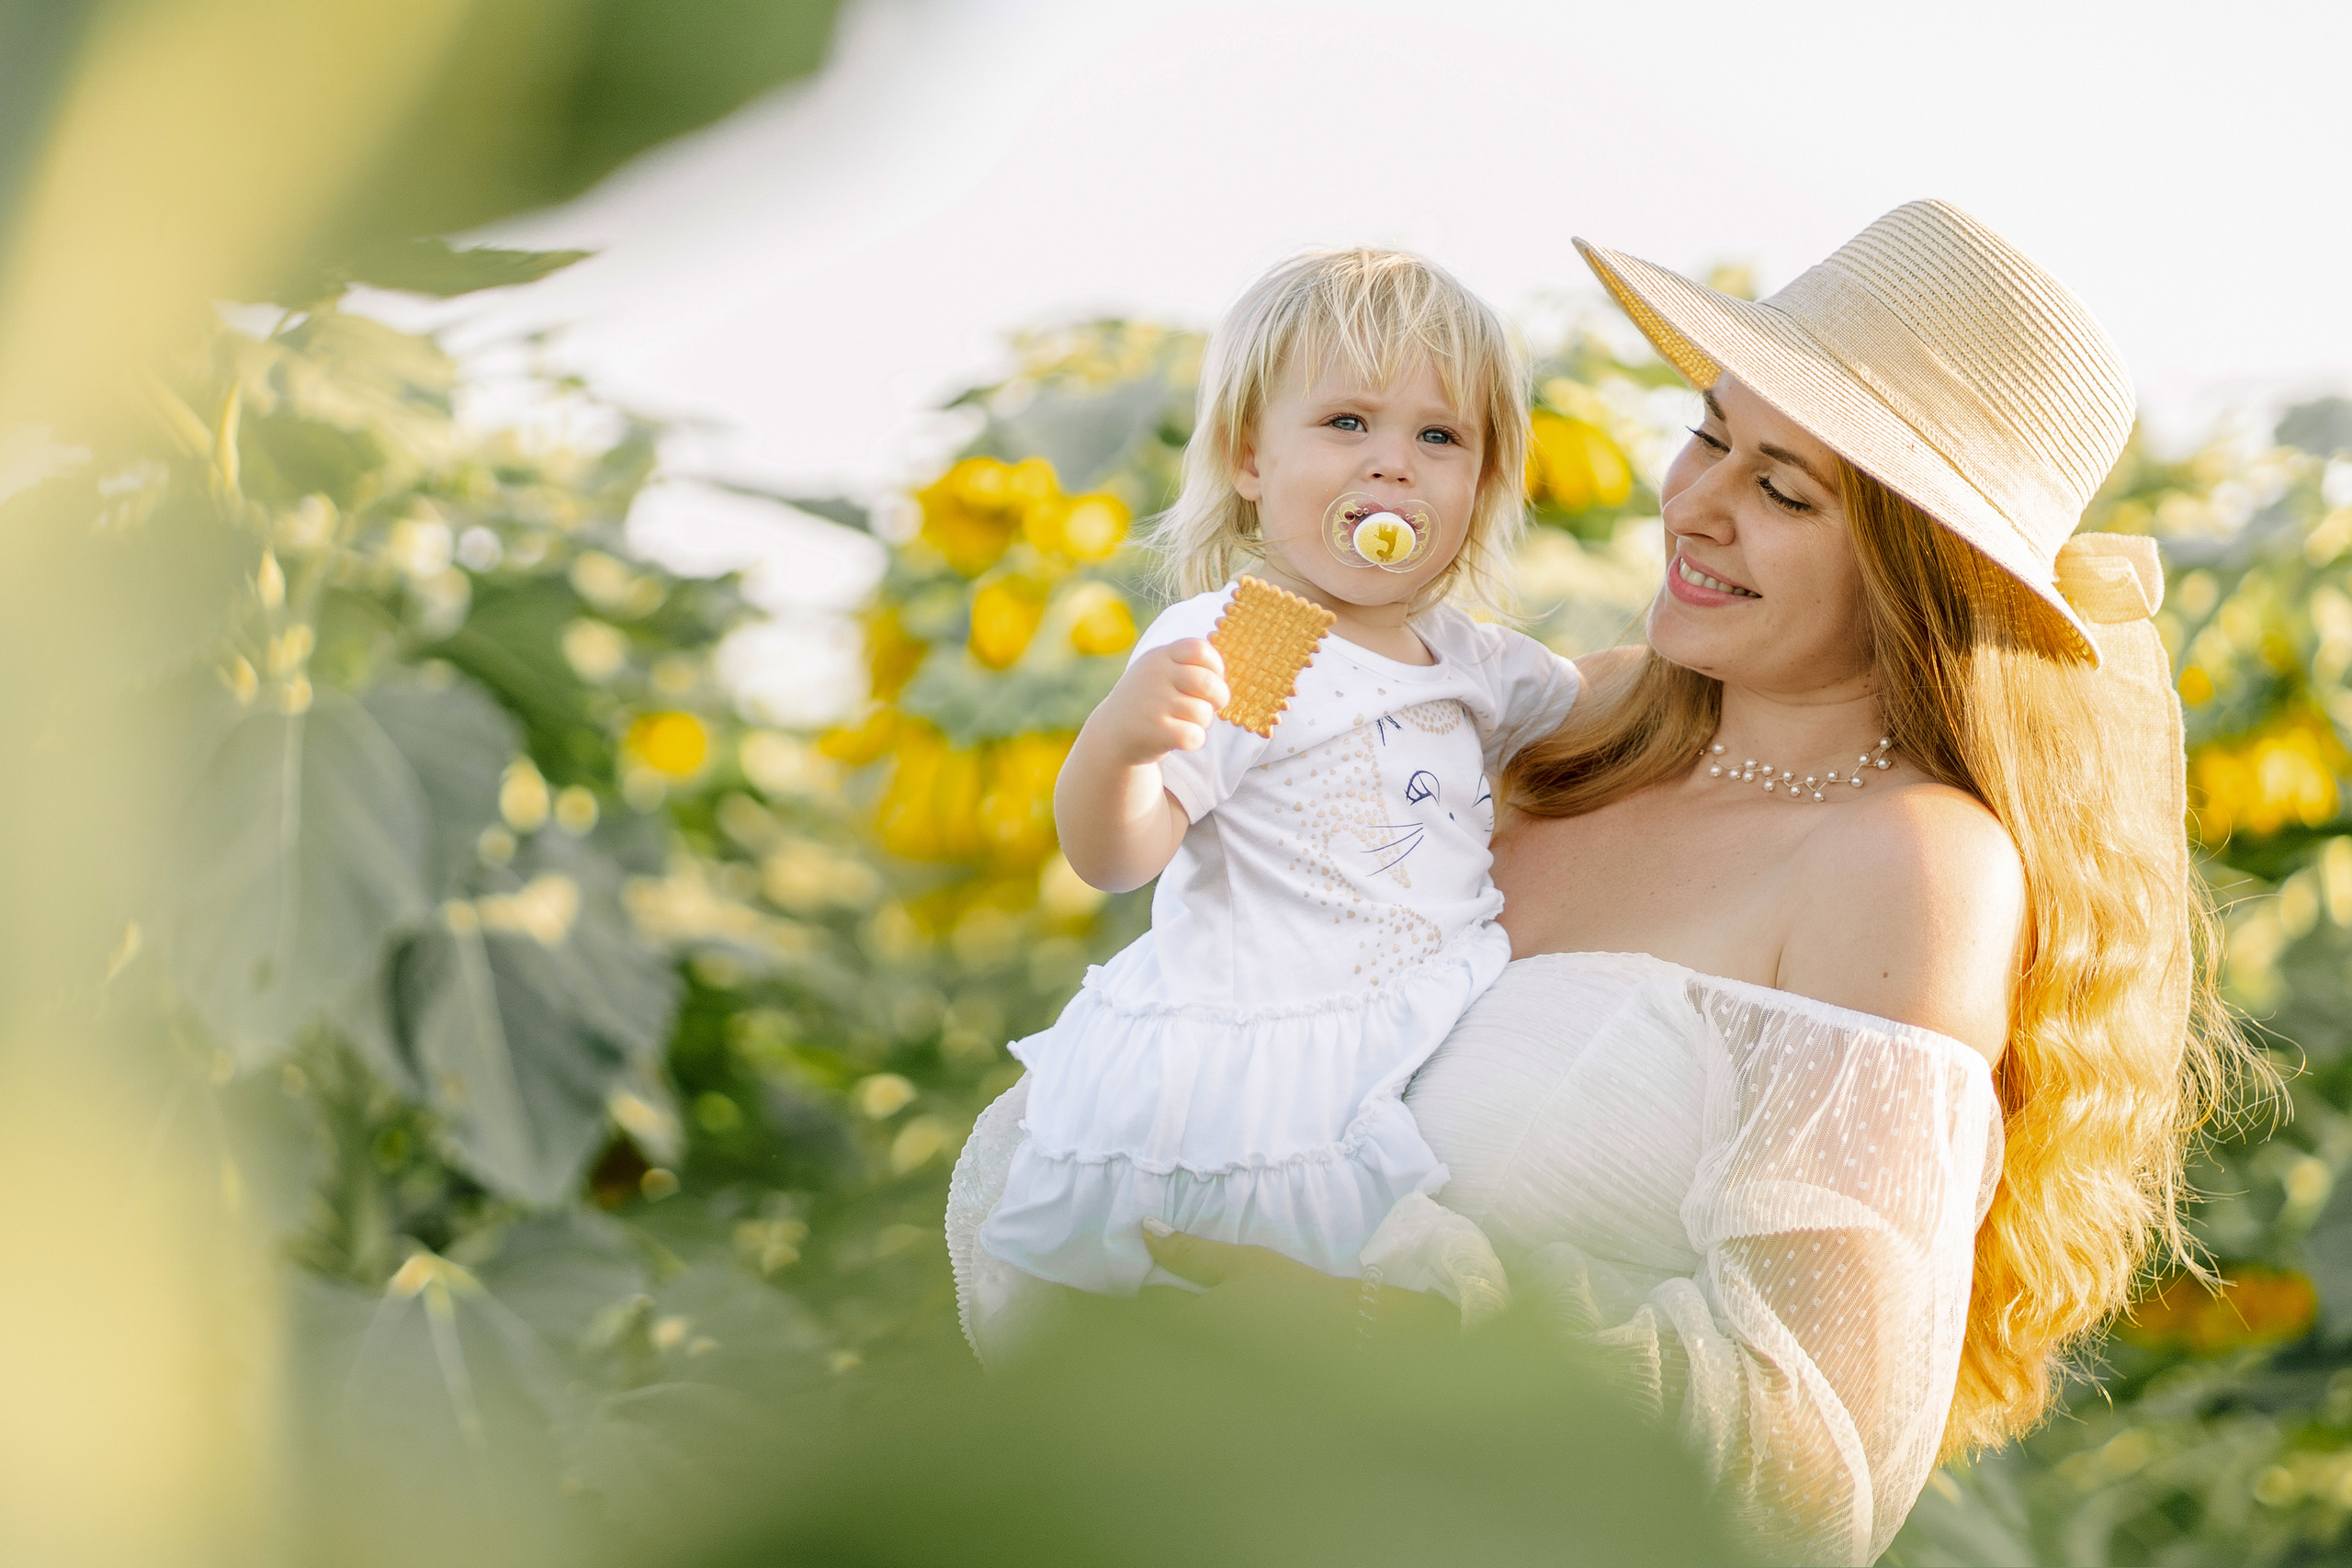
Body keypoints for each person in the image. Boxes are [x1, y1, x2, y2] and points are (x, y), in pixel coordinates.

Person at [949, 200, 2268, 1564]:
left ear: (1914, 575)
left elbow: (1813, 1461)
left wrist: (1372, 1327)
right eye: (1709, 432)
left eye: (1784, 487)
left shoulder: (1909, 865)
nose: (1695, 504)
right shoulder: (1542, 728)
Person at [956, 249, 1578, 1338]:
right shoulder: (1252, 640)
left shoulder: (1474, 660)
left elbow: (1609, 728)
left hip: (1406, 1037)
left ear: (1481, 486)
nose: (1391, 467)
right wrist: (1116, 750)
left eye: (1439, 438)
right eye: (1347, 423)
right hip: (1264, 1067)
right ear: (1250, 458)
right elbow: (1120, 856)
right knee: (1226, 1318)